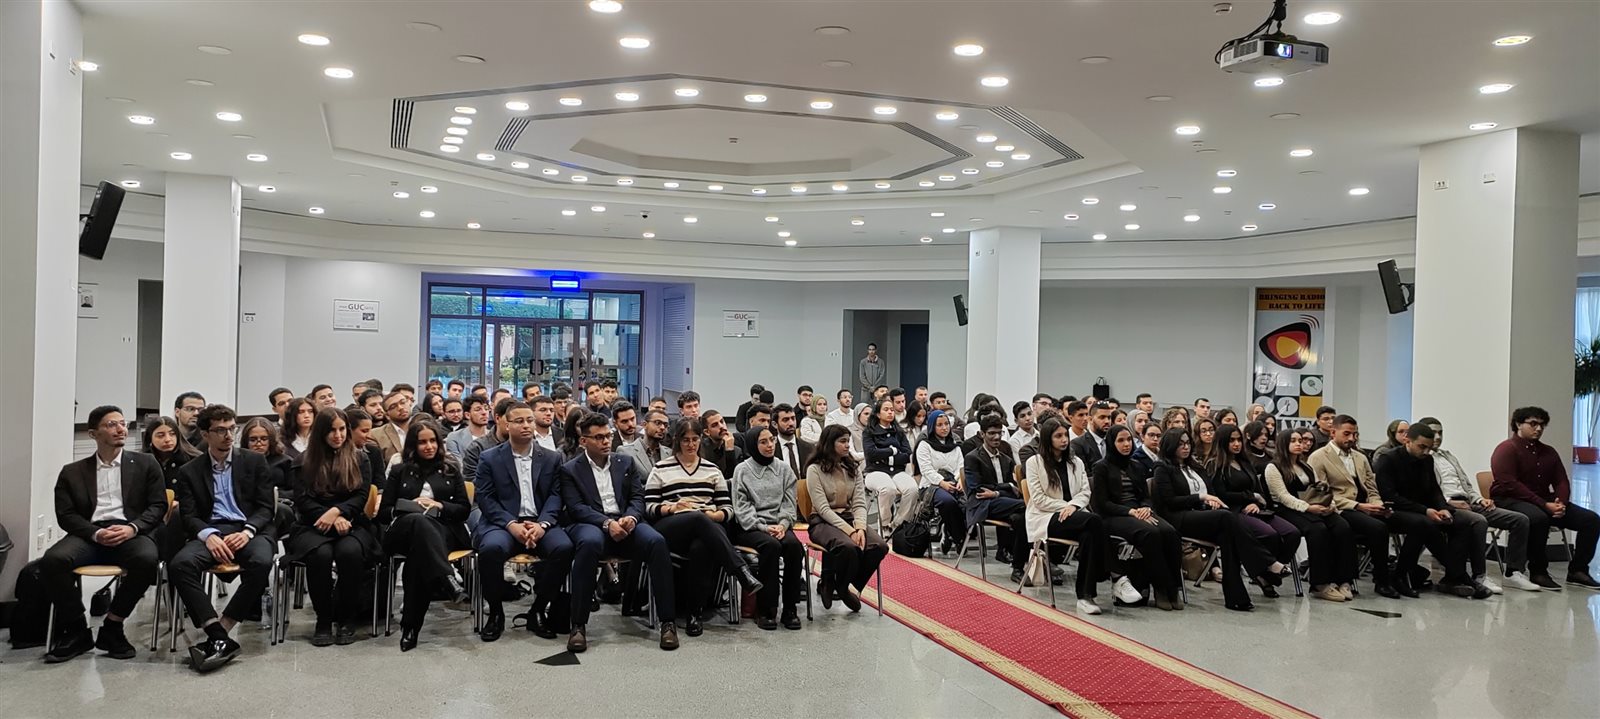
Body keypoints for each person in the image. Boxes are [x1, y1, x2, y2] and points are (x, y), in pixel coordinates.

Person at [38, 405, 165, 663]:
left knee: (146, 559)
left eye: (123, 424)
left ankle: (113, 626)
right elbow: (66, 515)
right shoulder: (72, 471)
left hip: (130, 531)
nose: (120, 429)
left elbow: (158, 505)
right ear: (93, 434)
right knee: (53, 560)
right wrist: (95, 533)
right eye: (111, 425)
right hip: (90, 533)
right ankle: (77, 630)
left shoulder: (146, 463)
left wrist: (132, 528)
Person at [169, 404, 277, 671]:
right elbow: (189, 515)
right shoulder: (190, 471)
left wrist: (247, 531)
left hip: (248, 528)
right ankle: (215, 632)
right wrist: (209, 535)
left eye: (232, 429)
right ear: (205, 434)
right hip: (212, 529)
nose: (228, 435)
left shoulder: (254, 461)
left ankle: (224, 627)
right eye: (220, 430)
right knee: (180, 564)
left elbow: (266, 507)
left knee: (262, 562)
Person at [560, 412, 680, 651]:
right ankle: (578, 625)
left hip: (625, 521)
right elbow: (576, 508)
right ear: (583, 441)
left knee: (656, 542)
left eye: (608, 436)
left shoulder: (625, 462)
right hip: (592, 524)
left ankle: (668, 622)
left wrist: (632, 517)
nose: (606, 441)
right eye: (599, 437)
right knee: (588, 544)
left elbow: (637, 497)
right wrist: (607, 523)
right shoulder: (570, 469)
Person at [645, 417, 763, 636]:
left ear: (701, 439)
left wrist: (715, 514)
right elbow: (650, 507)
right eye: (686, 440)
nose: (691, 444)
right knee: (698, 519)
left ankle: (694, 614)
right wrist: (672, 508)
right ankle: (740, 570)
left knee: (701, 545)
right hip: (671, 527)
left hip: (707, 529)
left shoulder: (712, 470)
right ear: (677, 441)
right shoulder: (661, 468)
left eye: (695, 439)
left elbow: (727, 508)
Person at [473, 401, 573, 642]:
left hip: (540, 522)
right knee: (490, 549)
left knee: (564, 547)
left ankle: (537, 610)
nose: (526, 425)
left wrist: (543, 524)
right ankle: (495, 612)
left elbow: (556, 495)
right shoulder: (489, 458)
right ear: (506, 425)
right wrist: (511, 524)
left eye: (529, 420)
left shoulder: (551, 458)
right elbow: (485, 498)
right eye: (519, 421)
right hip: (503, 523)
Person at [286, 406, 379, 646]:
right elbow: (302, 500)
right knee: (320, 555)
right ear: (321, 432)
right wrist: (327, 516)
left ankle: (347, 618)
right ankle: (324, 620)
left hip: (352, 521)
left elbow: (361, 496)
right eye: (332, 431)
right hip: (313, 524)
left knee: (350, 553)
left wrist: (337, 512)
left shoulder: (360, 458)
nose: (338, 436)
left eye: (342, 429)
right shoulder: (302, 461)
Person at [380, 418, 473, 651]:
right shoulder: (400, 470)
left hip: (443, 530)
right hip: (403, 529)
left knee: (418, 558)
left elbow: (464, 509)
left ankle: (410, 628)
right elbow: (384, 512)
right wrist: (409, 506)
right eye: (422, 442)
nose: (429, 446)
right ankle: (446, 577)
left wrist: (439, 505)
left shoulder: (451, 469)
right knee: (418, 521)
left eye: (433, 441)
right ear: (413, 445)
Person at [1419, 416, 1539, 591]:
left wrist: (1479, 499)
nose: (1437, 437)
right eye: (1433, 433)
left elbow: (1466, 485)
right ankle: (1479, 575)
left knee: (1520, 520)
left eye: (1440, 433)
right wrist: (1448, 503)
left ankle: (1513, 573)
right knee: (1478, 521)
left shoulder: (1448, 456)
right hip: (1446, 506)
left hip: (1468, 502)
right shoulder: (1422, 458)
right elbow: (1428, 491)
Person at [1373, 423, 1491, 599]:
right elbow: (1389, 496)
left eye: (1429, 448)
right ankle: (1403, 575)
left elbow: (1434, 490)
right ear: (1407, 441)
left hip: (1422, 510)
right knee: (1424, 525)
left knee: (1462, 523)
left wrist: (1443, 508)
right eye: (1422, 446)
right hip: (1394, 510)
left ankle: (1453, 577)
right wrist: (1425, 510)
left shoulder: (1427, 460)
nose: (1426, 451)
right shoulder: (1388, 459)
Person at [1491, 406, 1600, 589]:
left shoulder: (1548, 451)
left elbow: (1561, 481)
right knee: (1538, 518)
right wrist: (1544, 504)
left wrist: (1561, 503)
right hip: (1509, 500)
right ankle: (1538, 571)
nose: (1539, 428)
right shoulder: (1506, 449)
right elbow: (1510, 484)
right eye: (1533, 424)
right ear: (1518, 424)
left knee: (1591, 520)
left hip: (1543, 501)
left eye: (1542, 425)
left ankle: (1578, 571)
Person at [1151, 427, 1254, 611]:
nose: (1186, 447)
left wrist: (1211, 501)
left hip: (1201, 515)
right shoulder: (1162, 468)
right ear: (1170, 446)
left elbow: (1212, 492)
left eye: (1187, 443)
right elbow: (1169, 501)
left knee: (1228, 537)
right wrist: (1201, 498)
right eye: (1180, 444)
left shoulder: (1196, 466)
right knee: (1227, 517)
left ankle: (1237, 598)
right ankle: (1261, 566)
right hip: (1177, 517)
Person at [1089, 424, 1185, 610]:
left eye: (1128, 440)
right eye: (1120, 440)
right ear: (1111, 443)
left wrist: (1145, 508)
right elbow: (1102, 504)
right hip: (1114, 516)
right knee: (1151, 534)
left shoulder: (1136, 466)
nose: (1126, 444)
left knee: (1170, 533)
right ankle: (1161, 588)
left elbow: (1145, 496)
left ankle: (1173, 589)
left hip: (1140, 512)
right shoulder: (1101, 467)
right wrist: (1130, 512)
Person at [1308, 415, 1401, 598]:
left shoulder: (1360, 457)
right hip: (1341, 507)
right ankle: (1381, 580)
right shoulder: (1319, 457)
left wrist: (1378, 505)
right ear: (1333, 433)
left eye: (1355, 434)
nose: (1351, 438)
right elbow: (1322, 494)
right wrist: (1358, 506)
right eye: (1347, 434)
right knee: (1378, 528)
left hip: (1366, 505)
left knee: (1411, 522)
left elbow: (1371, 487)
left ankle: (1405, 573)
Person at [1023, 417, 1106, 614]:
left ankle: (1085, 596)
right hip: (1046, 517)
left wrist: (1074, 506)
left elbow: (1085, 492)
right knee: (1095, 521)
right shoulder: (1034, 462)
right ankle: (1113, 572)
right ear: (1047, 438)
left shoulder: (1075, 461)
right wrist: (1067, 506)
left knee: (1089, 536)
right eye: (1058, 436)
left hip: (1075, 516)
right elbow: (1039, 499)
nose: (1064, 440)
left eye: (1065, 435)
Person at [1265, 427, 1357, 602]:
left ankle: (1344, 579)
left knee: (1342, 527)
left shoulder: (1306, 466)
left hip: (1315, 506)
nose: (1299, 444)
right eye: (1293, 441)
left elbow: (1321, 488)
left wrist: (1330, 506)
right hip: (1287, 509)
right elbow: (1283, 496)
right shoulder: (1273, 467)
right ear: (1283, 444)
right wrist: (1308, 508)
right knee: (1318, 530)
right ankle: (1319, 584)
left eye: (1300, 441)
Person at [1207, 424, 1298, 598]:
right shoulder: (1215, 465)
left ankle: (1266, 574)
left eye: (1238, 440)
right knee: (1269, 534)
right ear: (1222, 442)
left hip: (1256, 509)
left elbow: (1258, 490)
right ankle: (1266, 572)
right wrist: (1249, 498)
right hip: (1233, 512)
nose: (1236, 444)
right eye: (1231, 440)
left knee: (1292, 533)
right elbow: (1221, 495)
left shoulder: (1244, 462)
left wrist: (1255, 501)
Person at [806, 425, 888, 612]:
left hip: (849, 518)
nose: (847, 445)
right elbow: (823, 509)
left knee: (879, 546)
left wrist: (860, 528)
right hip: (822, 521)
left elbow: (859, 503)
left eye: (848, 441)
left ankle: (842, 585)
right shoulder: (814, 469)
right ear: (829, 443)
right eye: (842, 441)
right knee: (849, 547)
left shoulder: (853, 468)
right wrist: (851, 531)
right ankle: (830, 580)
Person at [730, 426, 805, 630]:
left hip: (779, 525)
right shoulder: (742, 470)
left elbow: (789, 503)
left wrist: (782, 525)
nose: (770, 445)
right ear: (753, 445)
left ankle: (790, 608)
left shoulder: (784, 469)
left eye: (772, 440)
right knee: (771, 547)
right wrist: (763, 527)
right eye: (763, 442)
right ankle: (765, 609)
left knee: (794, 547)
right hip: (751, 527)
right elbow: (741, 508)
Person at [964, 415, 1028, 581]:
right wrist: (1006, 488)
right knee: (1026, 506)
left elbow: (1015, 490)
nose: (997, 437)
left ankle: (1018, 566)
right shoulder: (973, 458)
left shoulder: (1006, 459)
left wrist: (998, 492)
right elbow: (977, 489)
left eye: (999, 433)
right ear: (982, 434)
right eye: (992, 433)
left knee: (1020, 518)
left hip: (1004, 503)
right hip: (983, 504)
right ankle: (1022, 556)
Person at [915, 409, 968, 556]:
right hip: (931, 486)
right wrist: (942, 482)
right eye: (939, 425)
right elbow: (926, 470)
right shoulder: (924, 445)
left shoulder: (955, 445)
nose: (944, 428)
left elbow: (960, 467)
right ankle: (959, 538)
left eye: (946, 424)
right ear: (932, 427)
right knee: (948, 501)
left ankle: (948, 529)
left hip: (953, 482)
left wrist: (960, 480)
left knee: (966, 503)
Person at [864, 398, 917, 533]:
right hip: (874, 471)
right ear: (878, 414)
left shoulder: (898, 432)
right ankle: (885, 525)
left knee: (912, 489)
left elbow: (907, 454)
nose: (890, 412)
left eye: (892, 410)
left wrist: (885, 457)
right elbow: (871, 454)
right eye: (886, 410)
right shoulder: (869, 432)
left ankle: (899, 524)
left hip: (897, 471)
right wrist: (892, 451)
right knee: (888, 489)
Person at [463, 398, 513, 483]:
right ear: (497, 418)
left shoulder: (528, 445)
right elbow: (472, 482)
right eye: (510, 419)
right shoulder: (477, 448)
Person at [143, 415, 200, 487]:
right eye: (161, 435)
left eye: (172, 434)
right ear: (150, 438)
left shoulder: (194, 460)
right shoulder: (143, 462)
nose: (168, 439)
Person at [771, 403, 813, 481]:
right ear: (775, 424)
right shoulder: (771, 450)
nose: (791, 423)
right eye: (785, 420)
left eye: (793, 418)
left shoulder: (809, 448)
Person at [700, 410, 745, 479]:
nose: (721, 426)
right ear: (707, 432)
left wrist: (730, 451)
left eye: (722, 421)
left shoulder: (737, 451)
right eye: (715, 425)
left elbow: (734, 478)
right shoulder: (701, 449)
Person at [447, 395, 492, 461]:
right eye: (478, 409)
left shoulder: (494, 436)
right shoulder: (454, 437)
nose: (484, 412)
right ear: (467, 415)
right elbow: (457, 464)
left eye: (486, 409)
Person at [1069, 401, 1113, 467]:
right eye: (1102, 417)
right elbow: (1083, 471)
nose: (1107, 421)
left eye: (1109, 417)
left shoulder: (1114, 441)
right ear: (1090, 419)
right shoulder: (1078, 444)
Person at [374, 391, 412, 464]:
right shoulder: (376, 435)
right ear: (387, 415)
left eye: (403, 402)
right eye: (393, 407)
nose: (400, 408)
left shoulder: (424, 428)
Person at [611, 400, 647, 468]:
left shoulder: (644, 439)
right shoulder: (610, 443)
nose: (630, 424)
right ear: (615, 424)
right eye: (624, 421)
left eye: (632, 419)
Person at [281, 396, 316, 461]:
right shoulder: (282, 441)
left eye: (310, 411)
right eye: (301, 412)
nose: (307, 415)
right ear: (292, 415)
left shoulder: (321, 438)